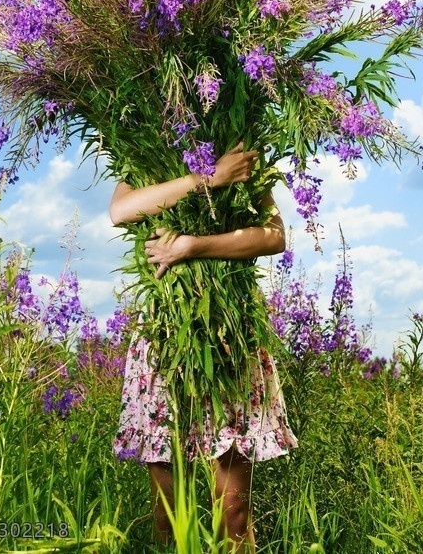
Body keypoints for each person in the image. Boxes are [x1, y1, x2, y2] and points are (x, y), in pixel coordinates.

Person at [110, 142, 299, 553]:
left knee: (233, 512)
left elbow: (274, 237)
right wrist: (209, 179)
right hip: (165, 337)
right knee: (168, 511)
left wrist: (192, 245)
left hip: (230, 337)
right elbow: (121, 212)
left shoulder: (240, 143)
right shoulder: (141, 145)